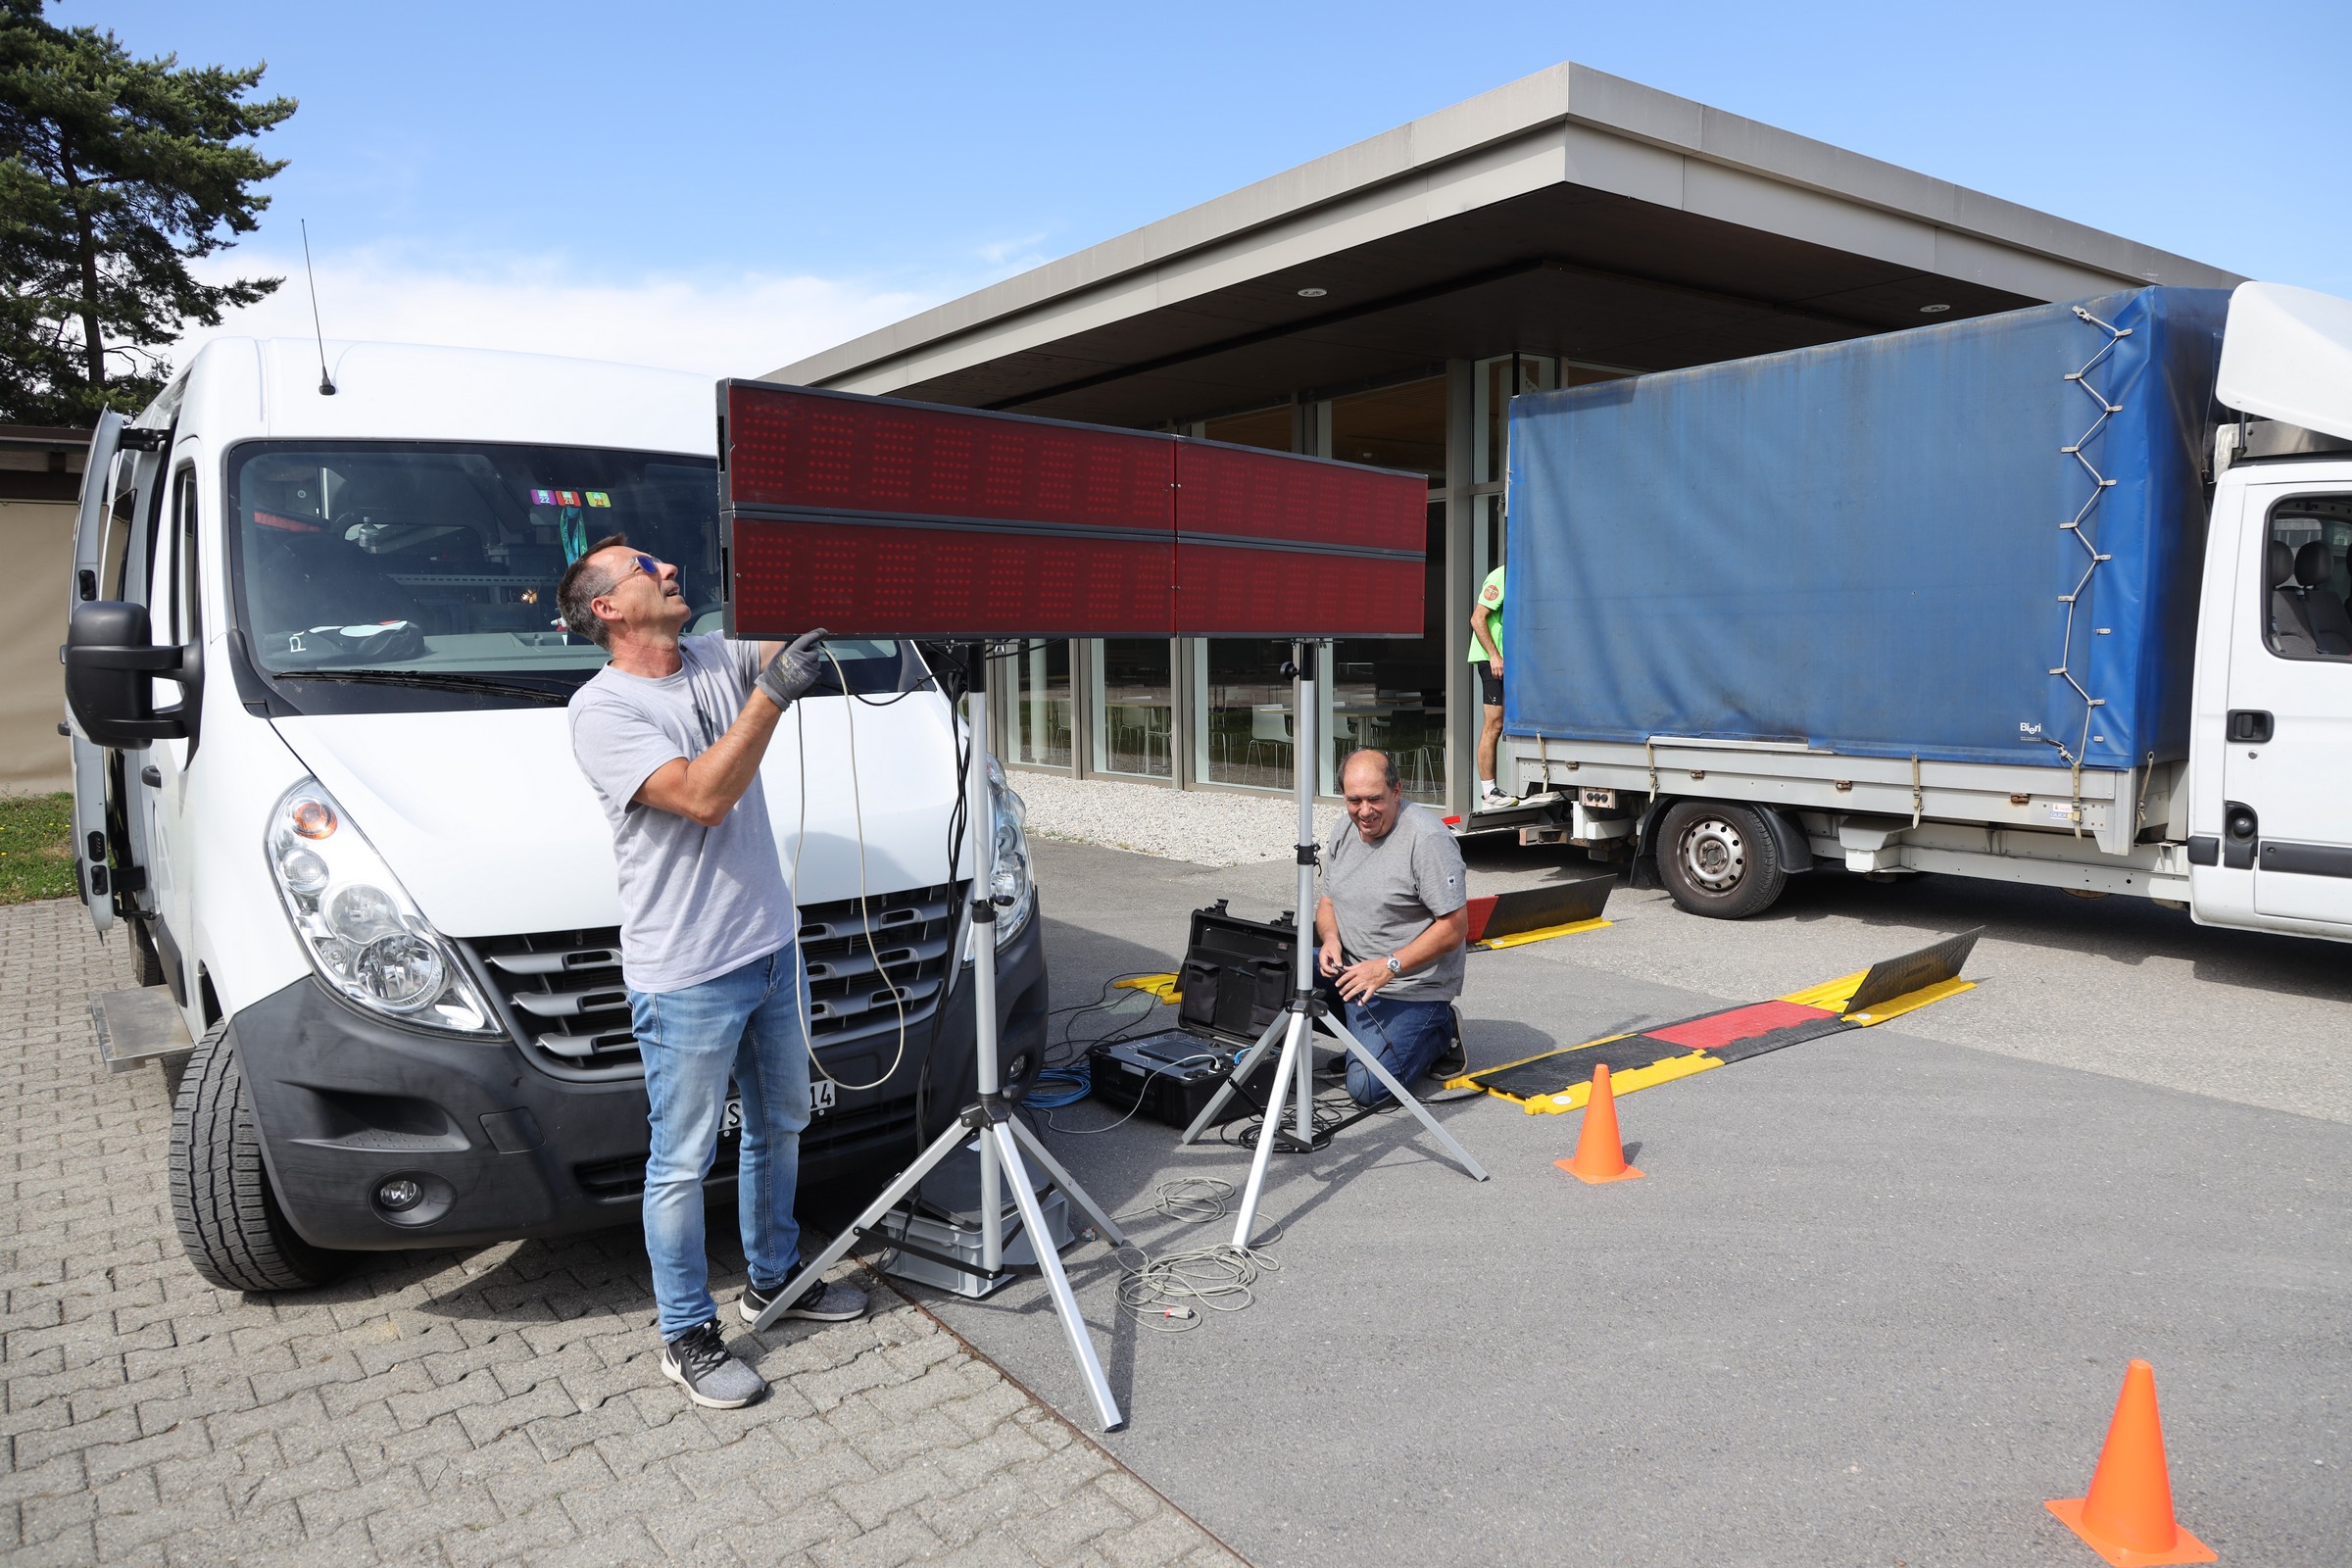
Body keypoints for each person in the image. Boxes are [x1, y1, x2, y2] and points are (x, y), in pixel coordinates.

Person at [558, 534, 867, 1410]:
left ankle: (775, 1281)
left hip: (769, 947)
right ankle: (686, 1333)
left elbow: (782, 637)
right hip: (688, 972)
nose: (666, 568)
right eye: (643, 567)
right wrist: (770, 696)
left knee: (780, 1125)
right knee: (682, 1160)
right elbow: (702, 797)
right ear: (608, 609)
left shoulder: (708, 655)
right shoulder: (601, 710)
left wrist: (793, 554)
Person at [1317, 749, 1471, 1106]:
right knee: (1279, 975)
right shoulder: (1344, 829)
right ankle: (1366, 1042)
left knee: (1367, 1089)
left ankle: (1440, 1030)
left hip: (1409, 987)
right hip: (1352, 973)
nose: (1364, 811)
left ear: (1397, 790)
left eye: (1375, 799)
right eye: (1354, 800)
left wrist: (1387, 967)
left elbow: (1455, 927)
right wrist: (1330, 940)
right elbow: (1327, 904)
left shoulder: (1427, 839)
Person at [1468, 561, 1515, 809]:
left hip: (1513, 661)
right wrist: (1494, 655)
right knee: (1494, 723)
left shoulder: (1526, 572)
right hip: (1493, 660)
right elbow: (1477, 618)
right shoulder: (1501, 575)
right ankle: (1489, 792)